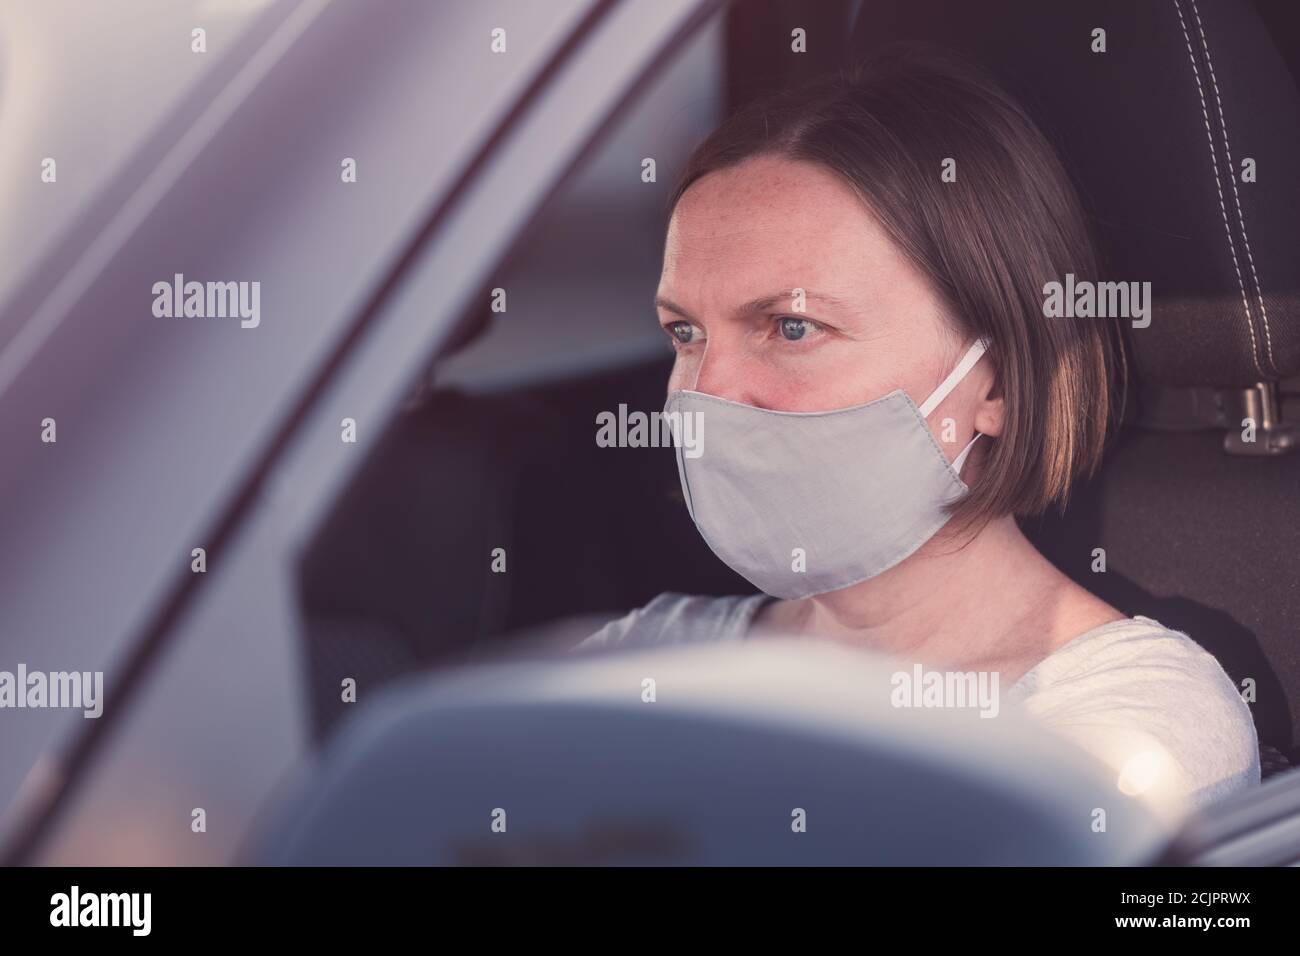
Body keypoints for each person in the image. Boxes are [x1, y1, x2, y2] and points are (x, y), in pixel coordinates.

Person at [575, 51, 1259, 811]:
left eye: (792, 327)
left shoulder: (1129, 725)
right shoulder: (644, 655)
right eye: (685, 332)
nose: (707, 395)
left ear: (994, 381)